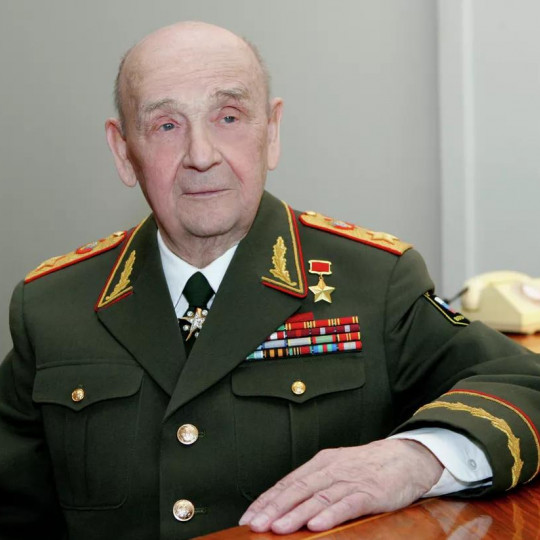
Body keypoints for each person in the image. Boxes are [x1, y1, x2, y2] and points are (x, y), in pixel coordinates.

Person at [1, 21, 539, 540]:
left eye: (229, 117)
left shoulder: (374, 282)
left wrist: (416, 458)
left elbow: (526, 384)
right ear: (124, 152)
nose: (201, 156)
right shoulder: (51, 308)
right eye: (166, 125)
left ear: (272, 132)